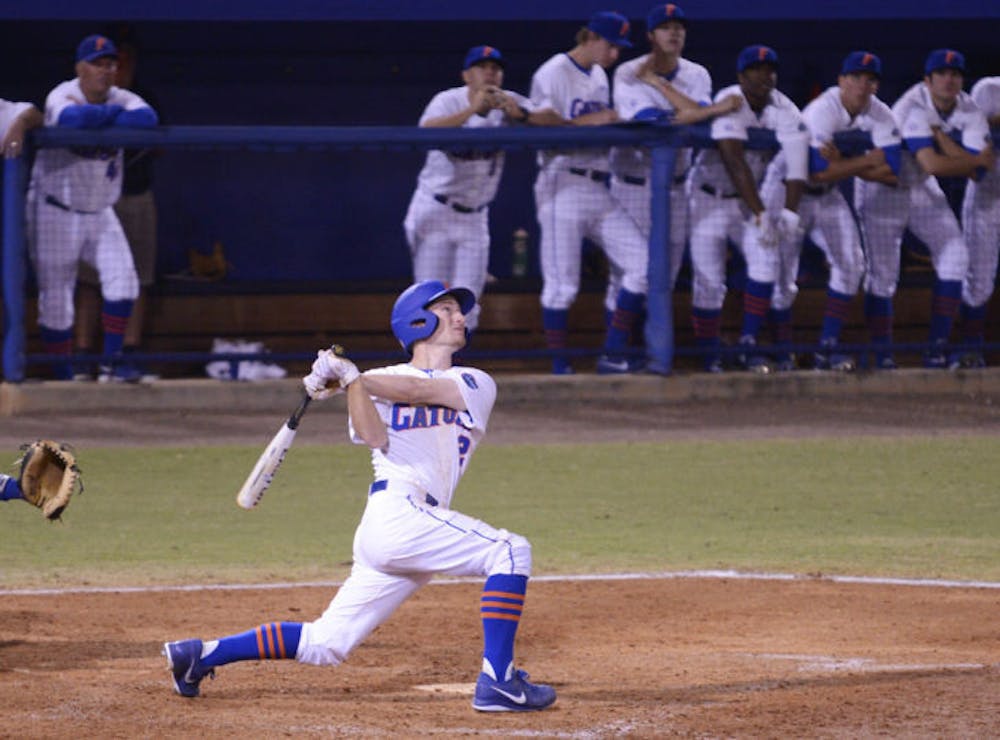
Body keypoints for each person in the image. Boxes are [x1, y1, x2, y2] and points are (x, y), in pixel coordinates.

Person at [163, 280, 556, 713]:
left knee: (327, 642)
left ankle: (198, 655)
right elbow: (372, 435)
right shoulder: (373, 384)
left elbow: (421, 391)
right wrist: (347, 382)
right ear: (418, 320)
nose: (461, 317)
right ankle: (499, 682)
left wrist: (350, 377)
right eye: (447, 309)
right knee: (510, 552)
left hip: (410, 526)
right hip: (397, 512)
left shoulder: (475, 381)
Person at [26, 34, 158, 382]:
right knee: (56, 302)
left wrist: (100, 115)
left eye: (110, 64)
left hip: (100, 211)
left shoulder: (122, 95)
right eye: (97, 64)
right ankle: (65, 377)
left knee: (124, 283)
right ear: (79, 68)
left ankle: (111, 365)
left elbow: (147, 119)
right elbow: (70, 120)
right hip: (55, 209)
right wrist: (114, 118)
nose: (105, 71)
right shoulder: (63, 93)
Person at [762, 51, 902, 372]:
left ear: (876, 86)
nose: (862, 86)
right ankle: (782, 352)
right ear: (841, 81)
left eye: (869, 80)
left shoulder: (881, 113)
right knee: (781, 278)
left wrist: (843, 164)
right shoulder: (822, 111)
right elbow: (816, 171)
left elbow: (893, 173)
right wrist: (867, 160)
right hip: (787, 190)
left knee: (852, 266)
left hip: (828, 196)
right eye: (855, 78)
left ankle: (826, 349)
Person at [855, 49, 993, 369]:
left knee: (956, 256)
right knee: (884, 276)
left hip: (919, 186)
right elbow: (935, 164)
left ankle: (936, 349)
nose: (949, 79)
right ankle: (882, 353)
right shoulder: (911, 106)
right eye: (941, 74)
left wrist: (942, 137)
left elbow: (979, 174)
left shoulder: (969, 107)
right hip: (884, 187)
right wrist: (970, 157)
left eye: (955, 74)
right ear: (927, 80)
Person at [403, 45, 557, 333]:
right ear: (466, 75)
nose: (490, 72)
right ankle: (426, 374)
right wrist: (472, 110)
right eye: (481, 67)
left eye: (496, 68)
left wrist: (519, 113)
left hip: (475, 217)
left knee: (469, 303)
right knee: (430, 301)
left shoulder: (507, 102)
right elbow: (424, 131)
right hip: (436, 208)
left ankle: (454, 373)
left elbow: (552, 118)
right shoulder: (447, 100)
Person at [530, 10, 650, 375]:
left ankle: (613, 351)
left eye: (619, 49)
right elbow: (543, 127)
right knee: (562, 285)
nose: (615, 55)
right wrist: (597, 120)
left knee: (643, 265)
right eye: (611, 45)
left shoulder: (599, 75)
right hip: (561, 182)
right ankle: (558, 365)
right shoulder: (552, 72)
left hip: (599, 184)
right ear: (590, 37)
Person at [608, 4, 740, 326]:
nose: (675, 33)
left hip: (678, 186)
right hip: (632, 186)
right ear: (651, 35)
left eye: (679, 27)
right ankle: (618, 350)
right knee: (627, 273)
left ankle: (651, 348)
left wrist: (657, 84)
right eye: (666, 28)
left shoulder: (696, 73)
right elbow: (654, 124)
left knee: (666, 272)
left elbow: (696, 121)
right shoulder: (627, 72)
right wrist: (707, 110)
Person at [686, 45, 808, 373]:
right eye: (755, 69)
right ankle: (709, 354)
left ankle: (748, 343)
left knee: (766, 263)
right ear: (741, 76)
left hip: (745, 202)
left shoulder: (785, 107)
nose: (764, 75)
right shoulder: (731, 99)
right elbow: (733, 160)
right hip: (707, 199)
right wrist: (761, 213)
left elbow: (798, 162)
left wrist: (791, 213)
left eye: (769, 68)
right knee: (710, 281)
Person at [74, 26, 161, 381]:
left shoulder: (141, 98)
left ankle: (125, 356)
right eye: (107, 62)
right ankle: (82, 358)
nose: (115, 69)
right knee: (90, 282)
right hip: (93, 203)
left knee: (136, 279)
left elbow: (154, 137)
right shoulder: (77, 99)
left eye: (121, 61)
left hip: (135, 197)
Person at [957, 75, 1000, 367]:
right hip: (987, 193)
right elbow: (977, 129)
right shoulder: (988, 88)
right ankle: (969, 351)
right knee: (979, 278)